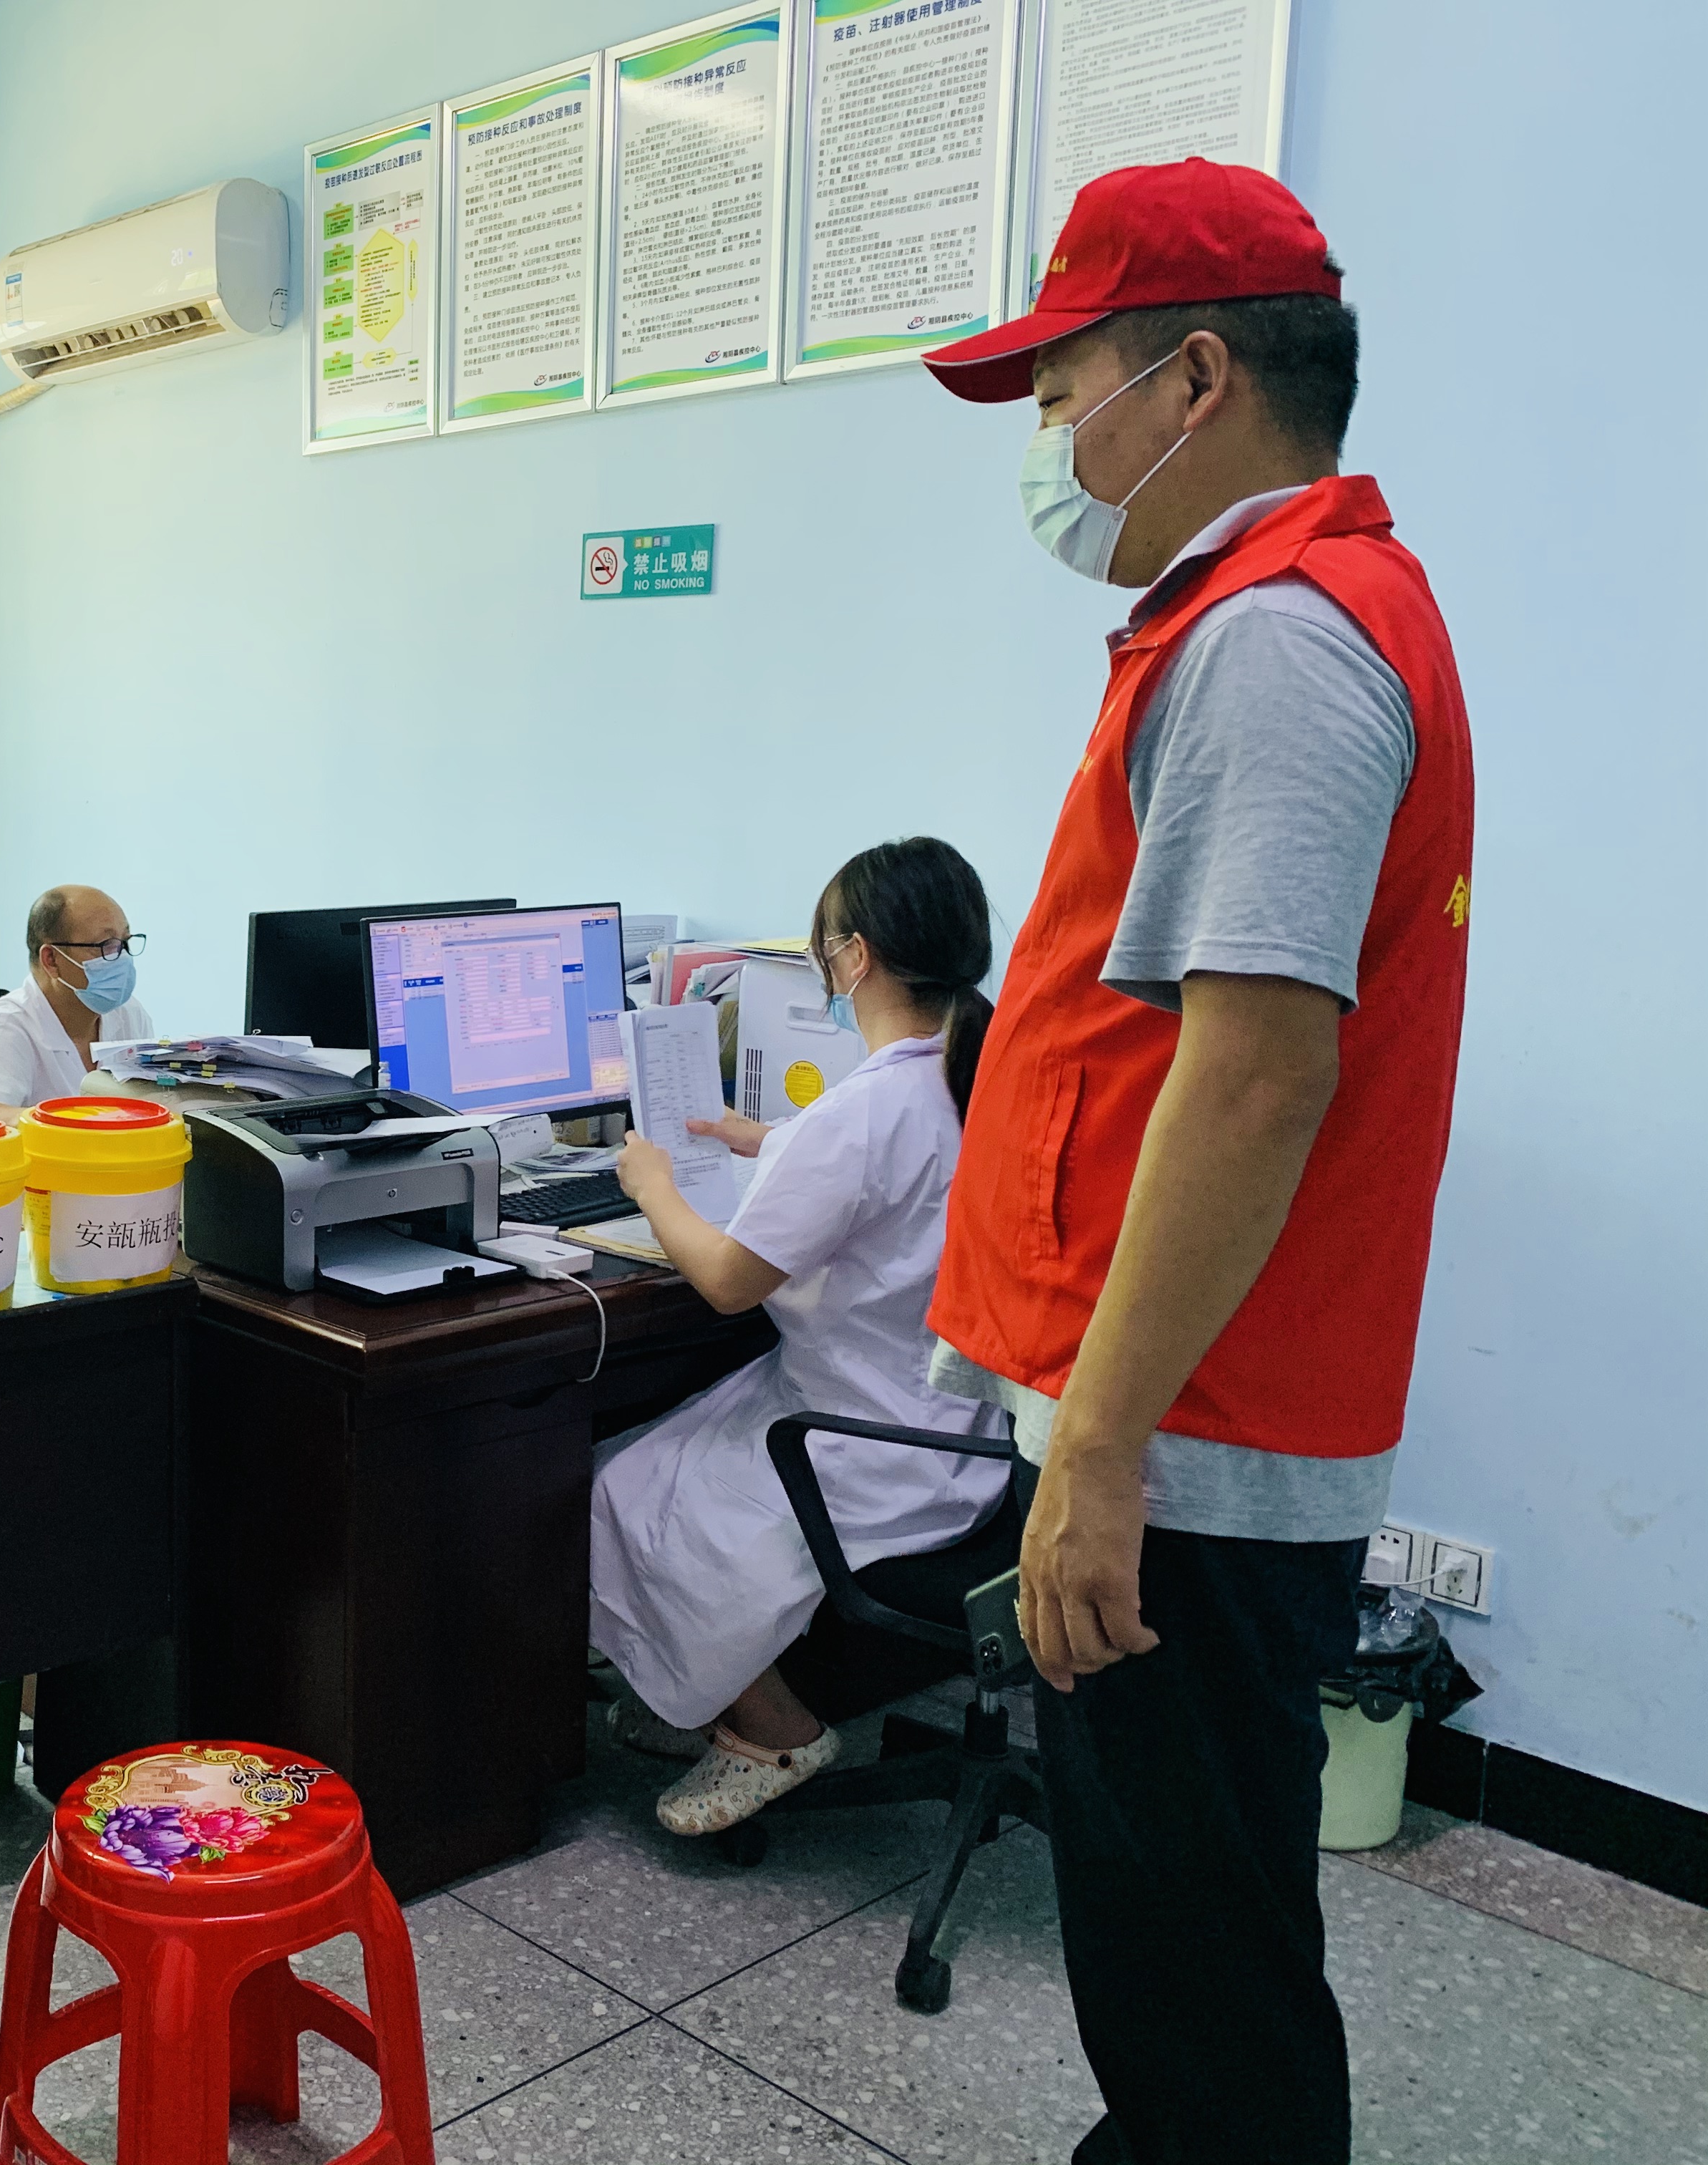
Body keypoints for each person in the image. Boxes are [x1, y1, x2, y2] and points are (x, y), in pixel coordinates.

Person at [918, 160, 1473, 2165]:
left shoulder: (1278, 643)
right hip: (1192, 1418)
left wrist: (1098, 1451)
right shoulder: (1269, 620)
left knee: (1195, 1960)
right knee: (1189, 1927)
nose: (1053, 446)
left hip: (1187, 1442)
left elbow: (1250, 1083)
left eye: (1066, 395)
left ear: (1198, 380)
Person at [593, 839, 1007, 1836]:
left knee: (623, 1488)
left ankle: (774, 1729)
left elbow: (729, 1283)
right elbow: (894, 1165)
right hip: (962, 1434)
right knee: (661, 1457)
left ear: (855, 958)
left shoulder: (862, 1113)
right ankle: (697, 1697)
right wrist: (765, 1140)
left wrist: (653, 1188)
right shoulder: (978, 1077)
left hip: (869, 1441)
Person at [0, 885, 155, 1123]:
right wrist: (66, 1121)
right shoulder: (6, 1027)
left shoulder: (129, 1014)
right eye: (107, 944)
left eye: (125, 942)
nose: (123, 958)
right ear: (52, 960)